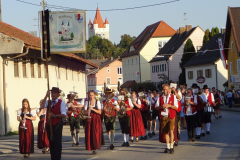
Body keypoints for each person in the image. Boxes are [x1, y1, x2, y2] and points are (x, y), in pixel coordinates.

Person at [40, 87, 66, 160]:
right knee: (51, 143)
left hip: (57, 124)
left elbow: (64, 115)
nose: (53, 94)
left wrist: (54, 115)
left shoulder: (61, 102)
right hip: (49, 125)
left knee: (57, 144)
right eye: (52, 93)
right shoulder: (48, 102)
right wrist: (46, 96)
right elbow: (41, 106)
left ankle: (57, 158)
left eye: (54, 93)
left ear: (58, 94)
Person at [155, 84, 178, 154]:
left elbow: (176, 107)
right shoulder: (160, 98)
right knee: (165, 132)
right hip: (163, 116)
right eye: (164, 89)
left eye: (166, 89)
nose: (165, 91)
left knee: (171, 131)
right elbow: (156, 107)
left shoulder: (173, 97)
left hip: (171, 115)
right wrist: (162, 107)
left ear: (168, 90)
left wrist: (170, 105)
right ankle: (168, 147)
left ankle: (171, 146)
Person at [84, 90, 102, 155]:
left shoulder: (97, 102)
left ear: (94, 95)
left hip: (96, 119)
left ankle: (95, 147)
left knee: (95, 133)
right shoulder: (87, 102)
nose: (91, 96)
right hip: (89, 119)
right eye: (90, 95)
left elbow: (100, 112)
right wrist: (87, 112)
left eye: (92, 95)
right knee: (89, 133)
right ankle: (91, 147)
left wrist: (93, 109)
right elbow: (84, 112)